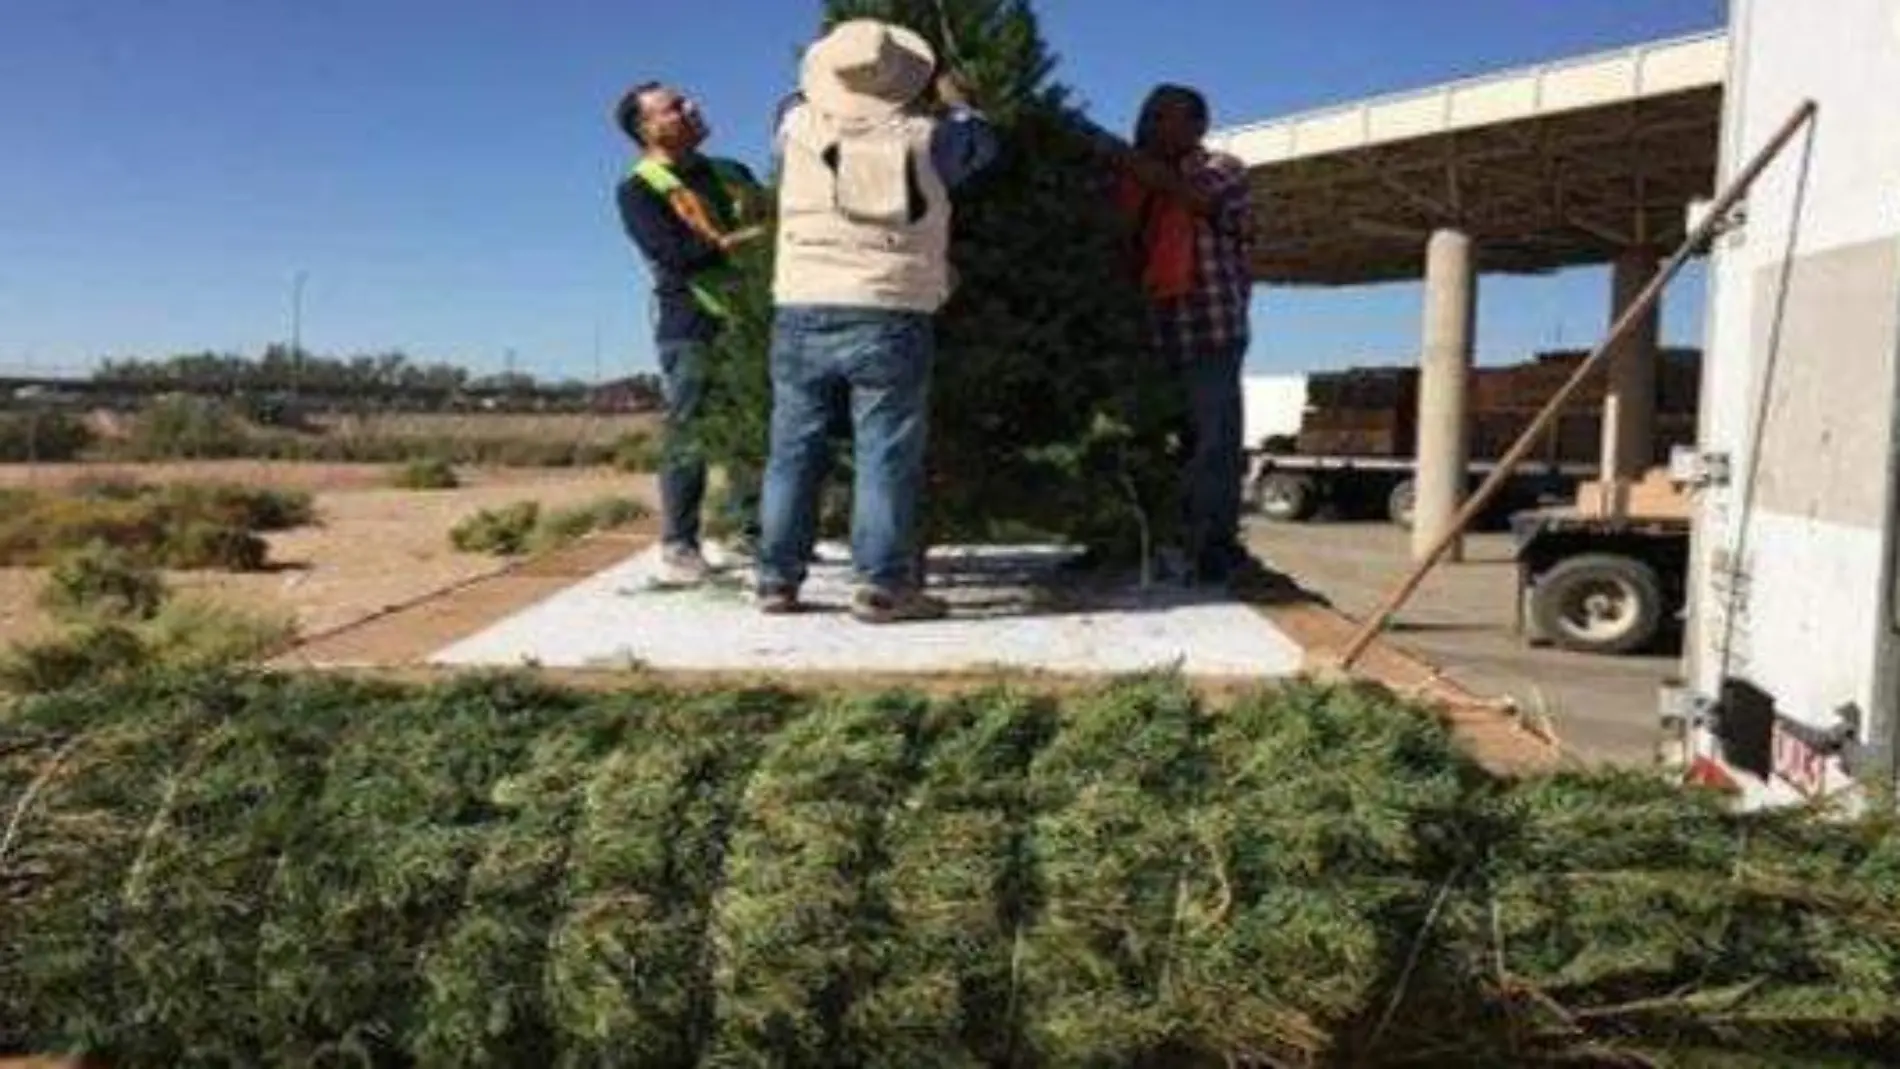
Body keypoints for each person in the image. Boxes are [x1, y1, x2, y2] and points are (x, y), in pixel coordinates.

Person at [754, 19, 998, 623]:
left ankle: (776, 580)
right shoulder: (932, 137)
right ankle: (882, 586)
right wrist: (959, 100)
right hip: (890, 307)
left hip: (801, 303)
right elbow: (982, 143)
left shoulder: (794, 126)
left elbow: (791, 99)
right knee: (885, 452)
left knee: (792, 449)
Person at [613, 81, 769, 585]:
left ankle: (754, 532)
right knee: (691, 432)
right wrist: (741, 242)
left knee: (753, 424)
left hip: (752, 318)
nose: (692, 108)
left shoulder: (732, 172)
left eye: (688, 101)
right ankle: (680, 544)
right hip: (693, 323)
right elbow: (674, 255)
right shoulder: (640, 188)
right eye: (674, 107)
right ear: (646, 128)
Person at [1117, 84, 1257, 585]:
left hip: (1210, 330)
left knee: (1211, 445)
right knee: (1145, 445)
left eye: (1161, 117)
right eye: (1146, 115)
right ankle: (1142, 541)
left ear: (1197, 126)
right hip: (1153, 333)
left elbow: (1196, 198)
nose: (1148, 125)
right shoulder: (1132, 181)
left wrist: (1121, 157)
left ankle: (1214, 547)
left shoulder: (1222, 169)